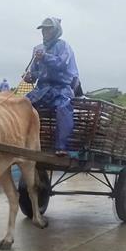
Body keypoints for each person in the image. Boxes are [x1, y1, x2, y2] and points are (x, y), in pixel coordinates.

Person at [23, 17, 81, 156]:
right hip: (42, 89)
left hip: (61, 88)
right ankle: (21, 140)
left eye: (48, 29)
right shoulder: (38, 49)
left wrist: (45, 57)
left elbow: (61, 64)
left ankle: (61, 146)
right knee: (22, 104)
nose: (45, 32)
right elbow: (35, 72)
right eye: (43, 29)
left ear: (55, 30)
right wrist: (30, 76)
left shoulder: (64, 47)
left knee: (63, 107)